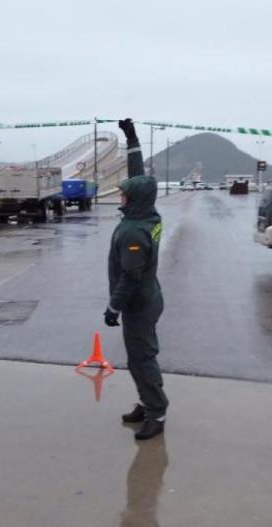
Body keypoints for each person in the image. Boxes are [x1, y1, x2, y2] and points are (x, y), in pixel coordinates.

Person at [105, 118, 168, 441]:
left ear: (135, 199)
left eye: (124, 196)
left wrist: (113, 307)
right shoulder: (148, 214)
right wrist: (132, 140)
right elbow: (139, 179)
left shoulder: (134, 232)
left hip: (138, 303)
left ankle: (156, 412)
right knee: (139, 358)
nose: (121, 198)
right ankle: (147, 402)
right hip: (149, 296)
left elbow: (129, 277)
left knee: (142, 359)